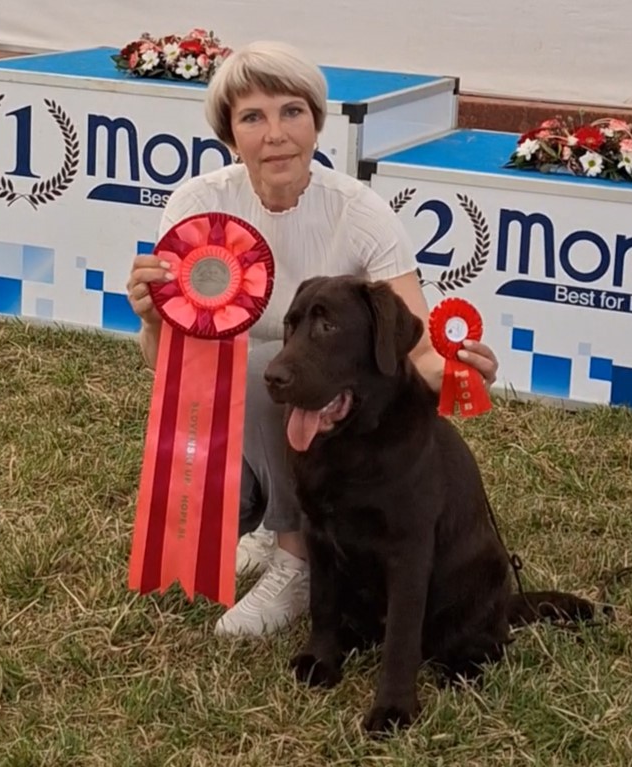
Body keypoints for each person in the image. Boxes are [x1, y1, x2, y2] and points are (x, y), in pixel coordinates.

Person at [125, 40, 499, 637]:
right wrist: (151, 321)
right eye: (253, 117)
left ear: (318, 123)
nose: (275, 134)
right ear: (229, 134)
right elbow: (165, 364)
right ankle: (265, 521)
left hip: (320, 406)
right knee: (247, 380)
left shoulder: (360, 212)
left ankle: (296, 559)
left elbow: (417, 351)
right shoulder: (198, 206)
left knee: (269, 365)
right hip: (244, 409)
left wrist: (463, 374)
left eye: (292, 112)